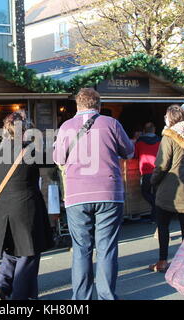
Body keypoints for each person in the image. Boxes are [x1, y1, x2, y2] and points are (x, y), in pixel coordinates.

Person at [53, 88, 134, 300]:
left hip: (76, 195)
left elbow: (59, 158)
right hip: (108, 193)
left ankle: (81, 299)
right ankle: (107, 296)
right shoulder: (111, 124)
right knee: (106, 248)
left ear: (77, 105)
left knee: (81, 249)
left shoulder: (65, 127)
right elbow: (129, 151)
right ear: (98, 104)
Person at [0, 112, 54, 300]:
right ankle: (21, 297)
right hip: (25, 207)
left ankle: (0, 288)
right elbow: (53, 164)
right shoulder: (30, 151)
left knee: (11, 249)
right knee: (28, 254)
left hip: (3, 206)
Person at [149, 105, 184, 272]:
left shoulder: (169, 137)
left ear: (170, 118)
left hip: (170, 188)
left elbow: (162, 165)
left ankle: (163, 261)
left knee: (163, 226)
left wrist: (153, 181)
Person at [134, 122, 160, 223]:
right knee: (157, 195)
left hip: (146, 172)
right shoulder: (160, 141)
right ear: (154, 130)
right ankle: (155, 217)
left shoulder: (139, 142)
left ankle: (154, 214)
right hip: (158, 171)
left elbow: (135, 155)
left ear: (144, 131)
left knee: (145, 192)